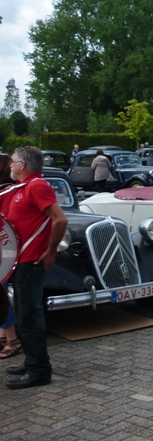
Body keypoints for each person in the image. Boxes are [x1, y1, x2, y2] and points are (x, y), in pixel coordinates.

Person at [3, 146, 69, 389]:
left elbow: (60, 219)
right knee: (23, 315)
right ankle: (31, 361)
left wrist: (50, 251)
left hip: (31, 263)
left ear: (23, 165)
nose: (10, 165)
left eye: (13, 161)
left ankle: (39, 370)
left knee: (30, 317)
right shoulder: (21, 188)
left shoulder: (37, 186)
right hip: (20, 263)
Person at [0, 154, 21, 360]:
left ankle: (12, 339)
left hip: (4, 248)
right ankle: (3, 335)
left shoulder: (8, 190)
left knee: (1, 293)